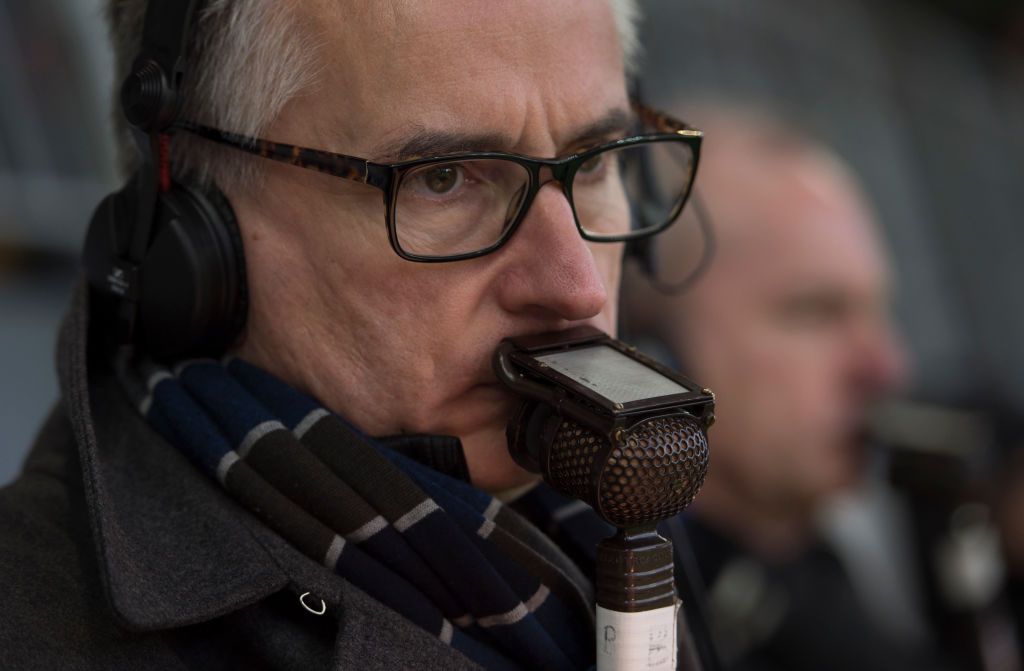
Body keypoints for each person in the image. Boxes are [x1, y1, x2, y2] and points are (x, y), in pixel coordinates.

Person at [0, 1, 707, 669]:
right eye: (443, 178)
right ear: (194, 239)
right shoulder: (32, 628)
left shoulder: (627, 534)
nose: (576, 285)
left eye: (600, 159)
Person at [622, 106, 957, 670]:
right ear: (654, 358)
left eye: (879, 312)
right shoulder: (614, 621)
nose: (887, 369)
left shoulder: (836, 589)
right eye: (816, 312)